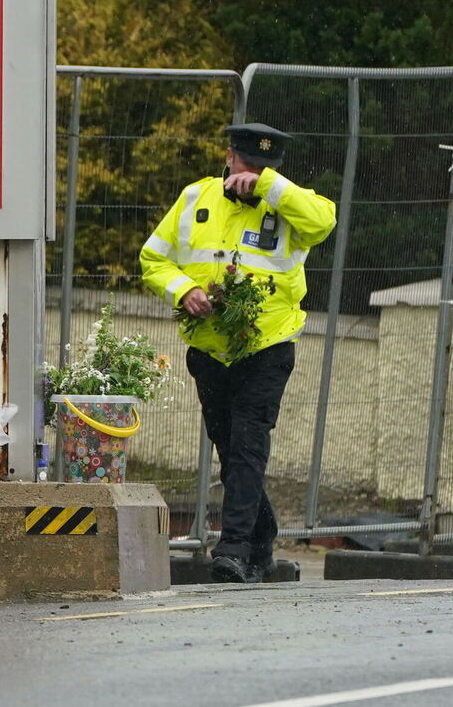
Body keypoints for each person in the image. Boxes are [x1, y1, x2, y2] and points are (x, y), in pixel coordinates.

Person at [139, 122, 336, 583]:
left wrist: (269, 185)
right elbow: (153, 258)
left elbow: (323, 222)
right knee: (230, 452)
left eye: (263, 167)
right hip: (209, 349)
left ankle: (233, 549)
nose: (250, 174)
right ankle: (262, 538)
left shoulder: (291, 202)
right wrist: (184, 288)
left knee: (248, 447)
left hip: (267, 347)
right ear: (228, 156)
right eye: (246, 163)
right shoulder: (195, 198)